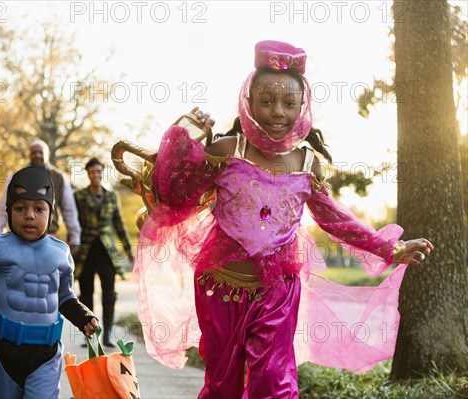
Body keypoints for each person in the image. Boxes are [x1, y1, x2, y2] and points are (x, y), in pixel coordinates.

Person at [132, 40, 433, 398]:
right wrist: (185, 137)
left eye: (289, 103)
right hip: (219, 288)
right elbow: (176, 195)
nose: (278, 112)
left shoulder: (309, 165)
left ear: (301, 106)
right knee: (222, 385)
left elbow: (338, 221)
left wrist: (389, 247)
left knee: (274, 383)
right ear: (250, 102)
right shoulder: (226, 151)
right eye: (267, 101)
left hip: (278, 291)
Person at [0, 166, 98, 398]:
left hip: (46, 352)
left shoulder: (61, 253)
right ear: (9, 211)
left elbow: (65, 297)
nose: (29, 215)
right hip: (3, 350)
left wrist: (84, 317)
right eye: (20, 208)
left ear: (50, 213)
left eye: (39, 209)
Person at [73, 157, 135, 347]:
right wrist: (72, 244)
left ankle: (107, 333)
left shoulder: (111, 196)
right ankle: (89, 333)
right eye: (92, 171)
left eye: (99, 171)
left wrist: (127, 248)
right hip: (86, 250)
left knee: (109, 293)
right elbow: (73, 223)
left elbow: (119, 223)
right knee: (86, 294)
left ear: (102, 173)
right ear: (88, 174)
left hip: (107, 252)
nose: (96, 175)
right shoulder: (79, 197)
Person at [0, 140, 81, 248]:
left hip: (49, 237)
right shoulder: (15, 177)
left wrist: (75, 236)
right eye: (34, 152)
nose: (37, 155)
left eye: (40, 152)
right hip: (19, 238)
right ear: (29, 155)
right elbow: (3, 208)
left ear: (47, 155)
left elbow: (69, 210)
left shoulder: (59, 177)